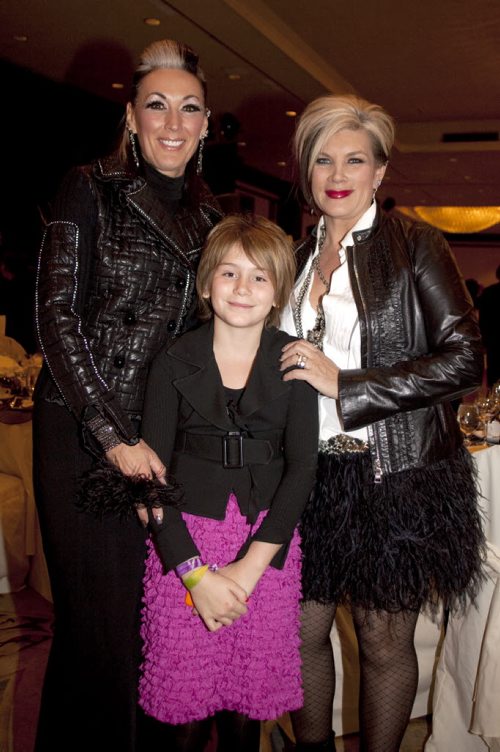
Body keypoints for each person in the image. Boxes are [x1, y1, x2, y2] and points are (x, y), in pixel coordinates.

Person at [278, 94, 486, 752]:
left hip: (390, 474)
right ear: (305, 171)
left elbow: (464, 358)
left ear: (380, 172)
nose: (337, 173)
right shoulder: (291, 256)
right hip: (303, 475)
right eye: (322, 159)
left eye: (355, 159)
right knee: (300, 634)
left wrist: (350, 386)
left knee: (382, 639)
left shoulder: (415, 242)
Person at [33, 39, 222, 752]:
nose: (173, 123)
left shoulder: (210, 223)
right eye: (157, 105)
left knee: (148, 630)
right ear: (130, 116)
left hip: (163, 442)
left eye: (190, 108)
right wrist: (114, 436)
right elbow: (55, 317)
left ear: (206, 124)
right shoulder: (89, 186)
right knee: (102, 631)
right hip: (85, 432)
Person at [137, 215, 318, 751]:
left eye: (260, 277)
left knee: (246, 708)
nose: (243, 288)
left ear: (280, 290)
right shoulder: (172, 361)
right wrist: (195, 576)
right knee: (183, 707)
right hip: (183, 543)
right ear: (207, 282)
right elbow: (150, 476)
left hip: (267, 547)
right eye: (230, 273)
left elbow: (302, 468)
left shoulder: (294, 364)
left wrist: (251, 564)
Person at [478, 263, 500, 386]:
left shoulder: (489, 292)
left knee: (494, 375)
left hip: (494, 342)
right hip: (493, 341)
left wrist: (484, 341)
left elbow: (483, 320)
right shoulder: (489, 292)